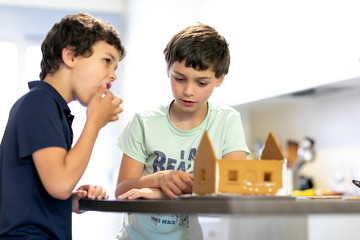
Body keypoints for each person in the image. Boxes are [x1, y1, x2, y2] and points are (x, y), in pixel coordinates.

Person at [114, 23, 250, 239]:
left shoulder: (227, 121)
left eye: (202, 83)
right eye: (179, 79)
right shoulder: (144, 122)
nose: (188, 91)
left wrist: (160, 194)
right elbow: (122, 191)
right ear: (168, 70)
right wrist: (159, 179)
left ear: (220, 79)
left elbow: (235, 188)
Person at [0, 13, 126, 239]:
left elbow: (37, 191)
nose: (113, 75)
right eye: (107, 61)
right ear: (70, 56)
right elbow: (59, 184)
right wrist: (94, 122)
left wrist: (69, 201)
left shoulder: (50, 107)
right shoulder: (39, 103)